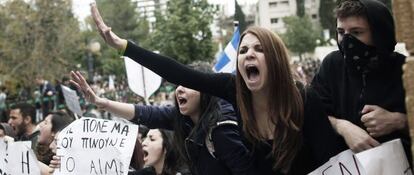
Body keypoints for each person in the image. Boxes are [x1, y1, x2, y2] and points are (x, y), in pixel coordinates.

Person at [90, 3, 342, 174]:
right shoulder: (235, 90)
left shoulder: (303, 99)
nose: (248, 54)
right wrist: (123, 46)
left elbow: (331, 161)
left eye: (258, 49)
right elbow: (177, 71)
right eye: (243, 50)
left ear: (275, 60)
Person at [70, 62, 254, 175]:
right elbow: (145, 113)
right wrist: (101, 102)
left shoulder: (222, 129)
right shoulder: (184, 119)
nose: (179, 89)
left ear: (207, 90)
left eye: (188, 84)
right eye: (178, 84)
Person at [311, 0, 412, 162]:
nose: (346, 41)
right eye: (341, 32)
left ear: (379, 34)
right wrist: (342, 127)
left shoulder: (406, 69)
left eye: (356, 32)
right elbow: (312, 113)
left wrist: (399, 121)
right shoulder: (332, 65)